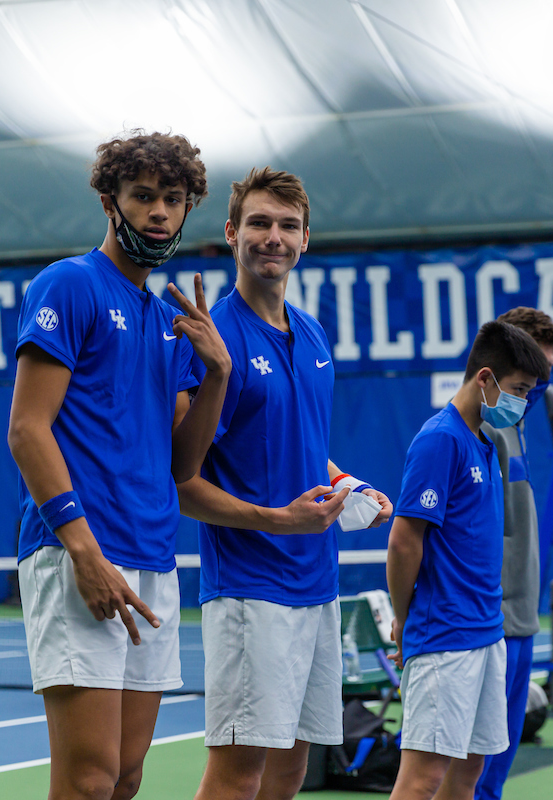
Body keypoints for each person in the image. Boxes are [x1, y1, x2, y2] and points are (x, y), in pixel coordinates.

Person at [8, 131, 232, 800]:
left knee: (127, 777)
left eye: (173, 199)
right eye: (143, 197)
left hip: (153, 559)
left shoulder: (170, 321)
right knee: (88, 781)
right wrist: (82, 549)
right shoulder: (69, 285)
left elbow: (182, 464)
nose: (159, 212)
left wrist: (216, 372)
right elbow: (27, 429)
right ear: (111, 202)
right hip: (81, 553)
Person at [179, 167, 393, 800]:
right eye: (259, 223)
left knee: (295, 767)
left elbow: (302, 448)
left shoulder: (314, 333)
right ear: (231, 233)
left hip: (317, 586)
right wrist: (279, 521)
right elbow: (182, 481)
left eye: (287, 226)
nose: (273, 236)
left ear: (307, 239)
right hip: (251, 591)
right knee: (239, 772)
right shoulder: (209, 340)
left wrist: (347, 484)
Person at [387, 319, 552, 800]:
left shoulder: (484, 441)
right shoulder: (441, 438)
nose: (523, 402)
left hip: (487, 633)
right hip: (445, 636)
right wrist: (404, 618)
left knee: (469, 772)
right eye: (519, 390)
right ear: (485, 378)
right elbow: (404, 541)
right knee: (423, 778)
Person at [474, 308, 553, 800]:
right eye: (533, 374)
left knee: (498, 759)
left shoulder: (518, 425)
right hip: (490, 621)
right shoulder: (484, 428)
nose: (540, 385)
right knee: (463, 765)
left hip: (521, 618)